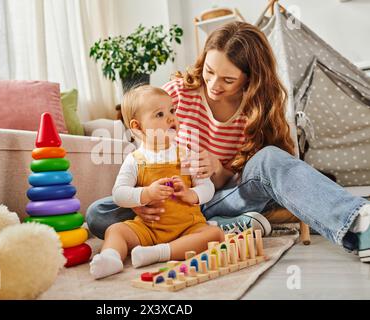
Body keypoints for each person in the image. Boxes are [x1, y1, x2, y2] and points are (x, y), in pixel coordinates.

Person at [87, 21, 370, 262]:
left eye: (227, 79)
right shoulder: (175, 95)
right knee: (98, 214)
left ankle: (359, 223)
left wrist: (217, 170)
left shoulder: (258, 108)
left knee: (270, 157)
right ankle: (233, 227)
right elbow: (143, 155)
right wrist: (142, 197)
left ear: (250, 79)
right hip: (166, 208)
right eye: (209, 72)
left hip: (219, 198)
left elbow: (259, 181)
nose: (213, 85)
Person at [89, 86, 224, 279]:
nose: (171, 118)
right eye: (159, 114)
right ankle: (111, 258)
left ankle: (156, 253)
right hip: (148, 229)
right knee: (116, 230)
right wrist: (146, 194)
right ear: (137, 127)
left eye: (172, 110)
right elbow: (119, 193)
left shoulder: (186, 153)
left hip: (188, 227)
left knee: (215, 235)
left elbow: (207, 187)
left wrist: (191, 194)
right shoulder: (135, 159)